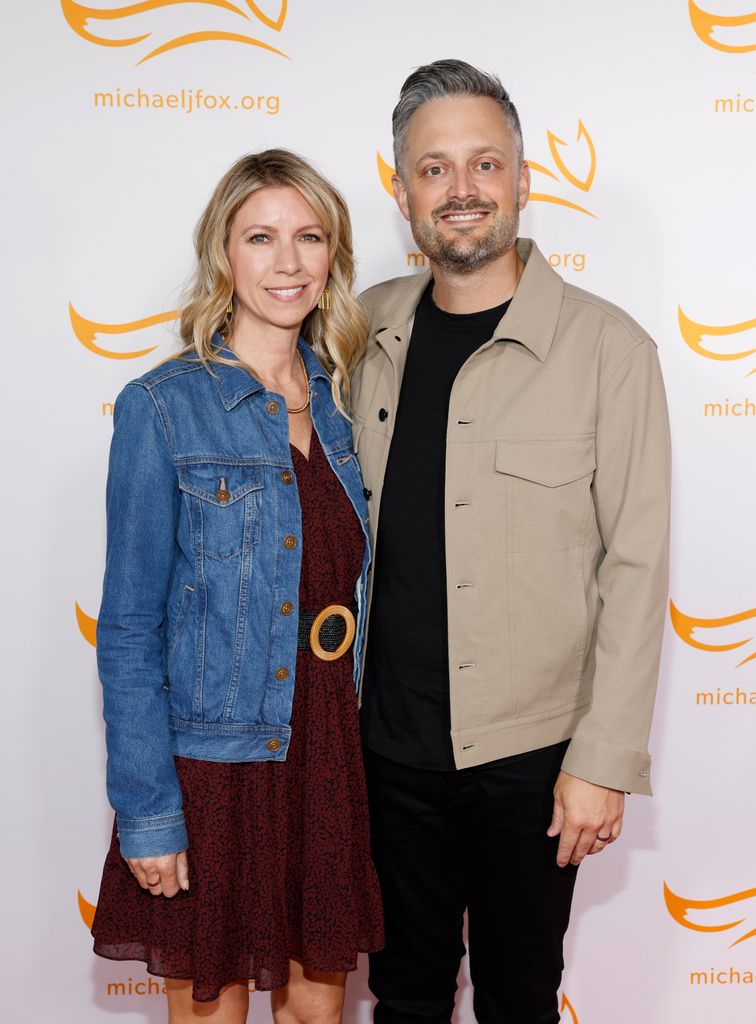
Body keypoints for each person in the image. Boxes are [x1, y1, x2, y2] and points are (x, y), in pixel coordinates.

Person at [352, 60, 671, 1023]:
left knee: (520, 998)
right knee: (401, 993)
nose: (462, 191)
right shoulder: (358, 330)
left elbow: (637, 563)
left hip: (535, 756)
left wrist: (603, 760)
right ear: (402, 189)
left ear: (524, 180)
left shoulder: (610, 350)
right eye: (435, 169)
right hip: (384, 749)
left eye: (485, 164)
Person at [91, 149, 383, 1024]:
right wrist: (148, 813)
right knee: (210, 1013)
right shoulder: (163, 406)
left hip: (328, 754)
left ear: (333, 257)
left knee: (315, 1013)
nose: (287, 262)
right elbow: (131, 627)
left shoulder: (343, 405)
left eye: (309, 237)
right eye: (261, 237)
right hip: (215, 764)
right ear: (224, 253)